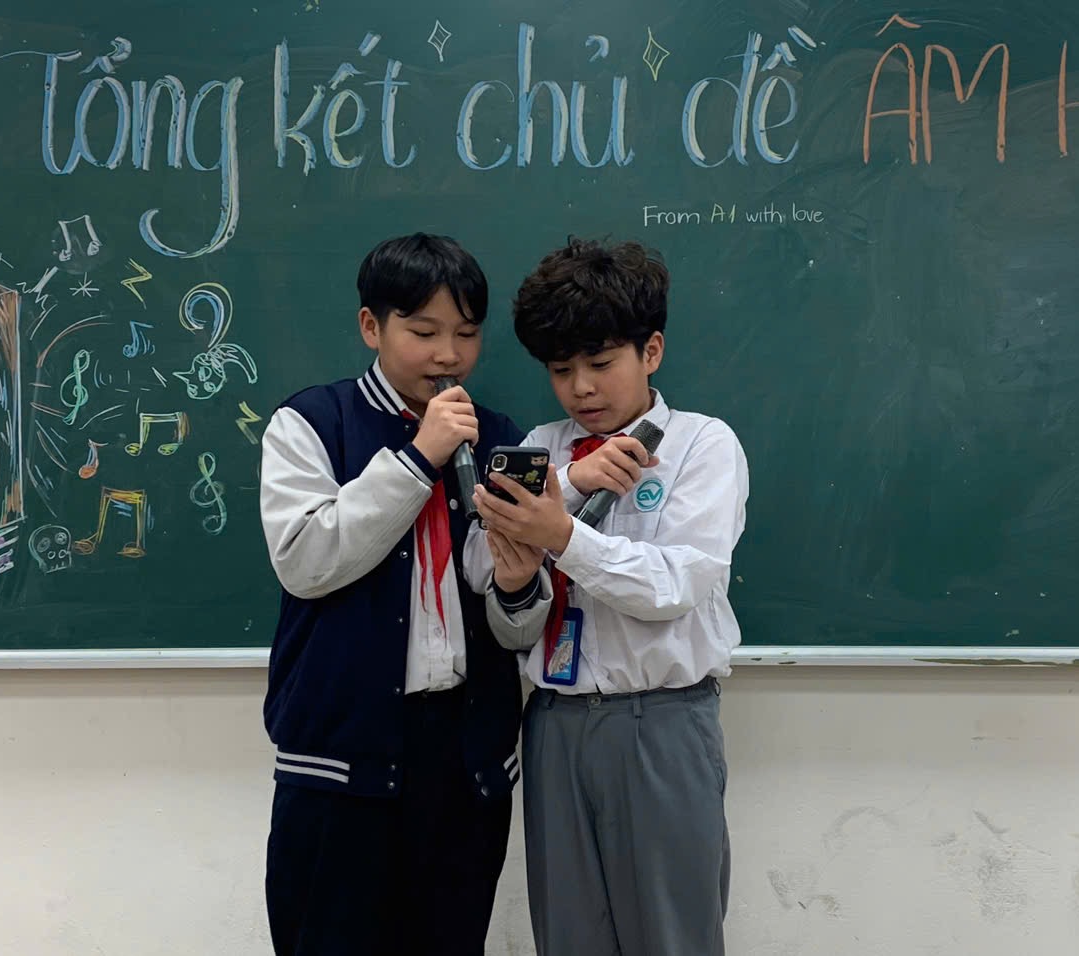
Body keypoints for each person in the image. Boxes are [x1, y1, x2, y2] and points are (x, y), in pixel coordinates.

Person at [259, 233, 546, 955]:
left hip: (466, 766)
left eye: (467, 334)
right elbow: (306, 560)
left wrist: (517, 588)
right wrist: (421, 457)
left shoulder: (502, 439)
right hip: (340, 767)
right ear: (371, 327)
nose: (448, 355)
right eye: (423, 332)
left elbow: (513, 629)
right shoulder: (310, 424)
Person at [473, 237, 750, 956]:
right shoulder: (540, 448)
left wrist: (560, 532)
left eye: (600, 364)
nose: (582, 389)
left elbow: (675, 585)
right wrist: (537, 537)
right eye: (562, 371)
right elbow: (495, 589)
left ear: (650, 350)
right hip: (554, 723)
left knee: (672, 934)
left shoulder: (702, 446)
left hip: (660, 723)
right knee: (568, 935)